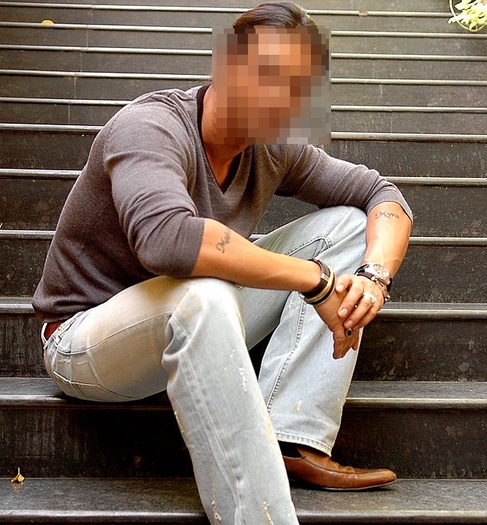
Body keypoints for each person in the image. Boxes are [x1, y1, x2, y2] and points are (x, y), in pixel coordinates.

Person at [33, 2, 413, 524]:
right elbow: (167, 241)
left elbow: (381, 194)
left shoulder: (274, 148)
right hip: (85, 342)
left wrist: (373, 277)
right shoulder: (149, 126)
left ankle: (293, 436)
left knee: (347, 224)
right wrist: (317, 281)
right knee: (205, 290)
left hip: (192, 320)